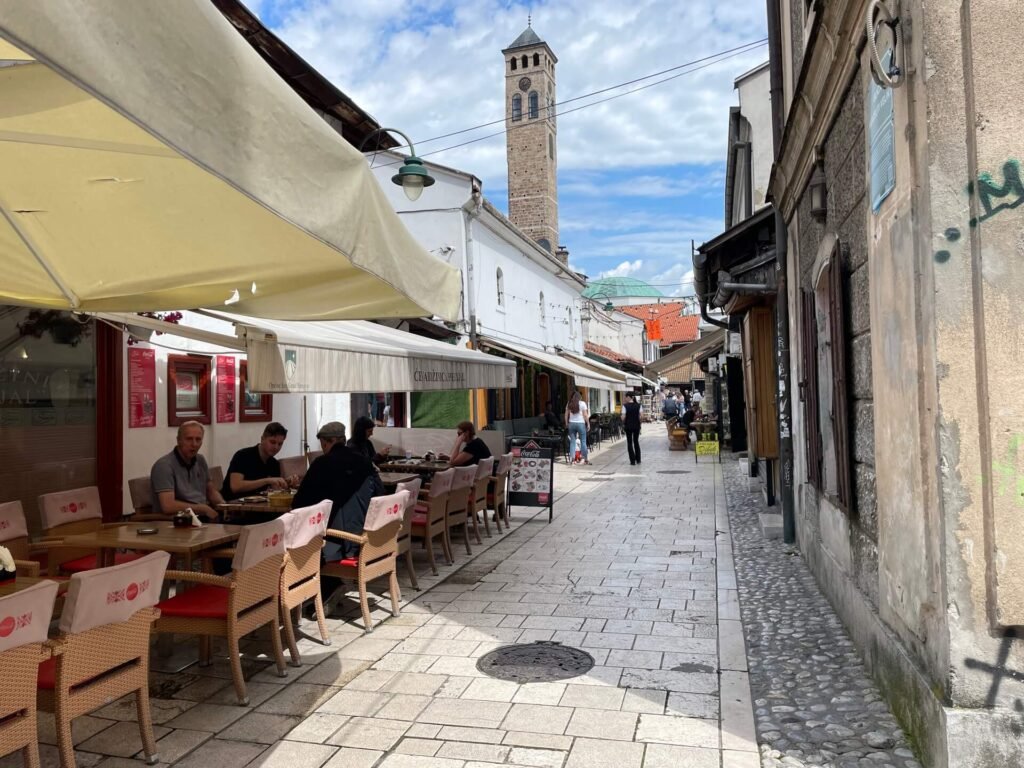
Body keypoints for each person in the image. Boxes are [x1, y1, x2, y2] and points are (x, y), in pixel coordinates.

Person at [293, 421, 384, 605]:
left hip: (339, 543)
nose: (323, 449)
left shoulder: (322, 464)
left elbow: (299, 504)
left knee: (301, 538)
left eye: (323, 445)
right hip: (368, 538)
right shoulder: (365, 462)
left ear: (328, 442)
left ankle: (321, 589)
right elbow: (380, 495)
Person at [150, 421, 225, 521]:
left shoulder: (200, 460)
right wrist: (202, 509)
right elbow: (168, 506)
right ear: (179, 440)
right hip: (179, 520)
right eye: (189, 439)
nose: (194, 444)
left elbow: (211, 491)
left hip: (203, 515)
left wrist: (225, 507)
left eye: (198, 439)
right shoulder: (164, 466)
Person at [221, 422, 295, 501]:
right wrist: (266, 481)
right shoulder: (242, 456)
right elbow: (236, 487)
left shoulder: (274, 464)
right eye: (272, 442)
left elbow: (274, 490)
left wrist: (286, 483)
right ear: (262, 439)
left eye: (280, 444)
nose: (276, 447)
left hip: (257, 504)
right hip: (232, 504)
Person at [565, 391, 591, 465]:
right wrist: (588, 423)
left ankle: (572, 460)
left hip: (571, 424)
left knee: (572, 442)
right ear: (579, 397)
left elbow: (566, 415)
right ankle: (584, 459)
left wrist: (566, 423)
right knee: (583, 441)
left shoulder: (569, 403)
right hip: (580, 424)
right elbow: (585, 415)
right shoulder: (582, 403)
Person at [622, 393, 642, 466]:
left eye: (625, 397)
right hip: (636, 426)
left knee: (629, 442)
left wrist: (623, 420)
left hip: (628, 426)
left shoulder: (625, 406)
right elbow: (641, 416)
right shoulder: (639, 405)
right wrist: (639, 423)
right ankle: (638, 459)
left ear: (629, 397)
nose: (625, 399)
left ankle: (632, 461)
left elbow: (623, 417)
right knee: (636, 441)